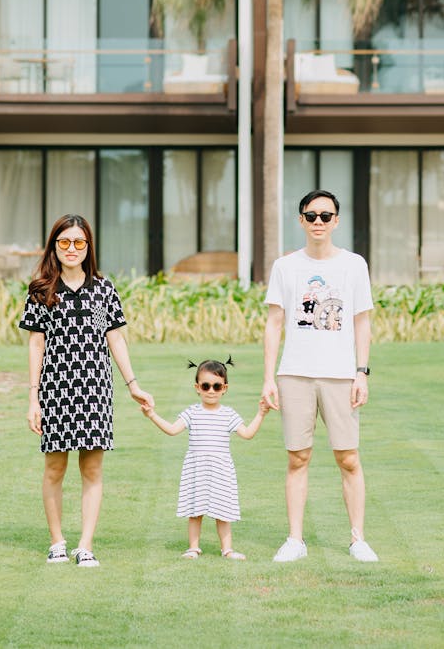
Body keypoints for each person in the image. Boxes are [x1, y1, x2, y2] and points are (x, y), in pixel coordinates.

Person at [20, 213, 153, 567]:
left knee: (92, 470)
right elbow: (36, 344)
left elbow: (115, 339)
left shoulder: (103, 289)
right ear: (55, 246)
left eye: (79, 242)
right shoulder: (41, 290)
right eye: (64, 242)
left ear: (88, 246)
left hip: (95, 389)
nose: (71, 249)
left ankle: (86, 545)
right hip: (55, 390)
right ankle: (57, 542)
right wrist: (33, 397)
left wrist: (133, 385)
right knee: (54, 469)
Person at [262, 189, 379, 564]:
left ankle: (358, 538)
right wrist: (268, 378)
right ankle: (295, 540)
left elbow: (362, 321)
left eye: (325, 216)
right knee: (298, 457)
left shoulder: (353, 265)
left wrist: (361, 372)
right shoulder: (285, 266)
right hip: (294, 373)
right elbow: (274, 323)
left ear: (336, 221)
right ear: (301, 220)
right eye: (311, 216)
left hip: (340, 375)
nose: (318, 222)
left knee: (348, 457)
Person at [141, 358, 270, 560]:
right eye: (206, 386)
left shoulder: (228, 414)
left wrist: (261, 414)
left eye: (217, 386)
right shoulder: (192, 412)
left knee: (223, 511)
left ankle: (227, 549)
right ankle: (193, 548)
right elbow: (173, 430)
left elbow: (247, 433)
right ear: (197, 388)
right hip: (197, 468)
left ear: (224, 388)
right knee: (195, 510)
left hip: (221, 469)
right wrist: (152, 415)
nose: (211, 390)